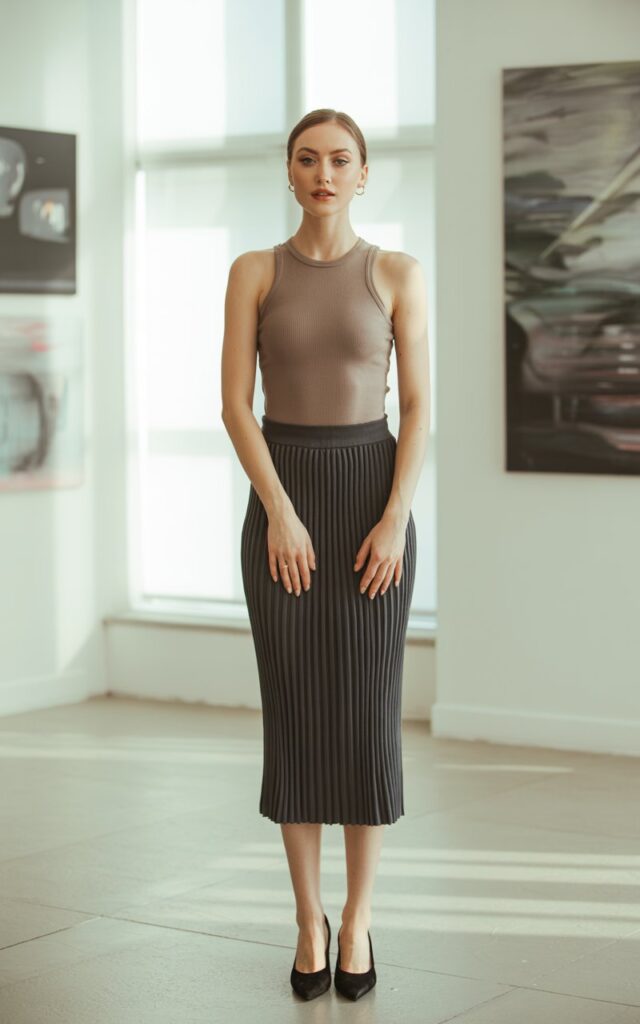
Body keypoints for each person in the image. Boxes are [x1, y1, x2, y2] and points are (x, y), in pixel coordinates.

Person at [220, 108, 430, 1001]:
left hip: (373, 504)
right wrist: (279, 510)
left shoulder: (397, 273)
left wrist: (395, 517)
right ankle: (308, 920)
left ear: (364, 173)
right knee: (298, 717)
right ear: (290, 171)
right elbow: (236, 405)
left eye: (340, 160)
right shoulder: (254, 271)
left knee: (368, 720)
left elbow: (416, 407)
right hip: (284, 504)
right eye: (307, 159)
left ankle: (359, 919)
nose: (323, 174)